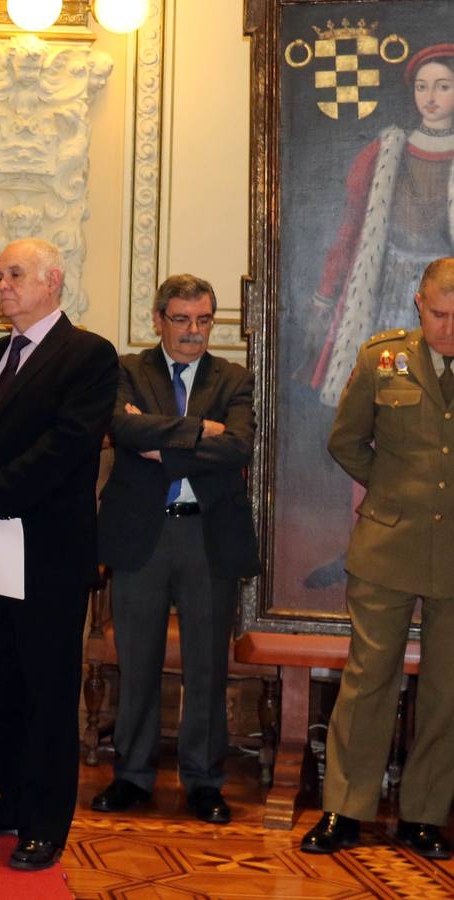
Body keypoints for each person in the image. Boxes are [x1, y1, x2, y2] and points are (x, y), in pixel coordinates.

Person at [0, 238, 117, 870]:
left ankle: (47, 821)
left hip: (46, 554)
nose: (3, 284)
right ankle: (10, 800)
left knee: (47, 687)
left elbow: (68, 445)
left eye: (15, 274)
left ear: (53, 281)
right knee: (2, 683)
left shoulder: (89, 354)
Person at [91, 274, 258, 825]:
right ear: (159, 319)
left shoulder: (233, 377)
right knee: (136, 662)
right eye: (182, 319)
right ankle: (133, 777)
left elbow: (237, 446)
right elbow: (120, 428)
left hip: (207, 537)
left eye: (204, 320)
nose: (193, 332)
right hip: (144, 534)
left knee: (206, 666)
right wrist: (195, 432)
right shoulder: (127, 370)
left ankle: (204, 781)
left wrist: (163, 441)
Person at [303, 257, 454, 860]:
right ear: (418, 303)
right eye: (440, 314)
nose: (449, 327)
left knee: (446, 690)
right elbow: (345, 440)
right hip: (388, 544)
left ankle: (423, 815)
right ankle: (344, 810)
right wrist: (389, 493)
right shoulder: (381, 358)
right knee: (368, 682)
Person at [308, 45, 454, 407]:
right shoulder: (388, 150)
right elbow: (350, 228)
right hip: (390, 287)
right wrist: (325, 292)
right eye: (422, 87)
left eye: (442, 86)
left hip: (448, 294)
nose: (430, 98)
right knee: (391, 391)